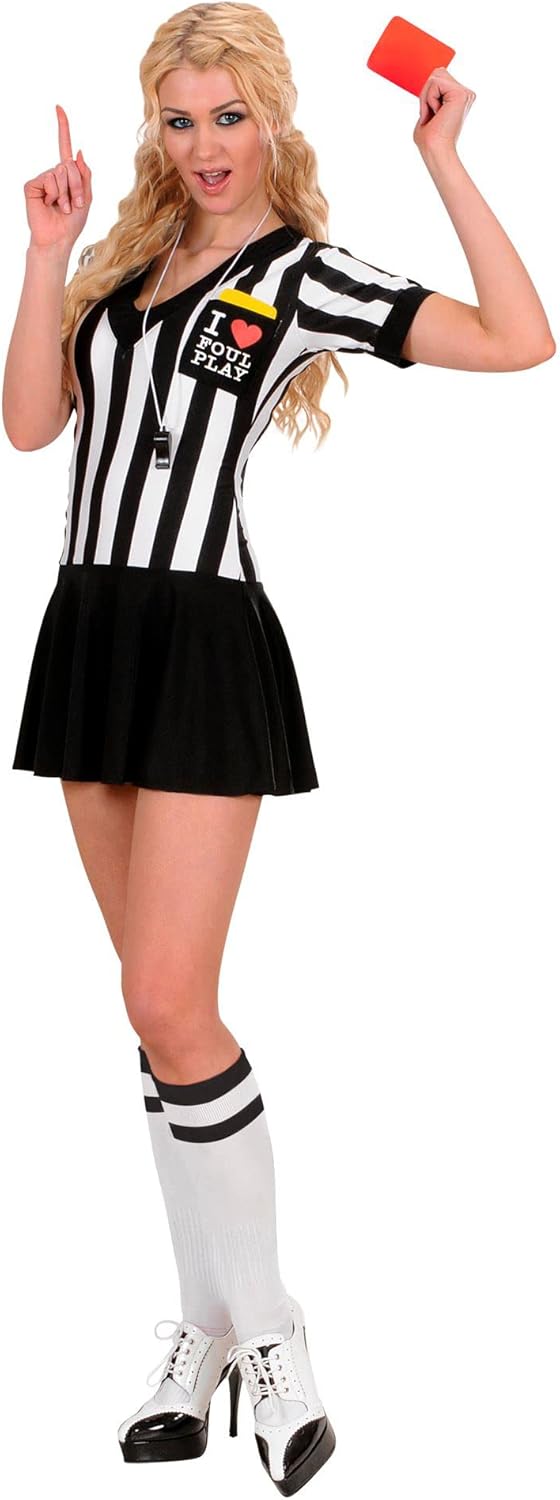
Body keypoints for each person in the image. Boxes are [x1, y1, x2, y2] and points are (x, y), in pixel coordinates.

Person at [3, 2, 555, 1493]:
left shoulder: (297, 272)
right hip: (89, 631)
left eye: (230, 116)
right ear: (157, 127)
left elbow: (522, 342)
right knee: (156, 1015)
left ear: (272, 120)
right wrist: (46, 254)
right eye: (181, 119)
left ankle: (272, 1331)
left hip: (200, 640)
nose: (206, 146)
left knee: (170, 1001)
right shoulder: (120, 268)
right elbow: (32, 429)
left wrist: (445, 158)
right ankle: (201, 1329)